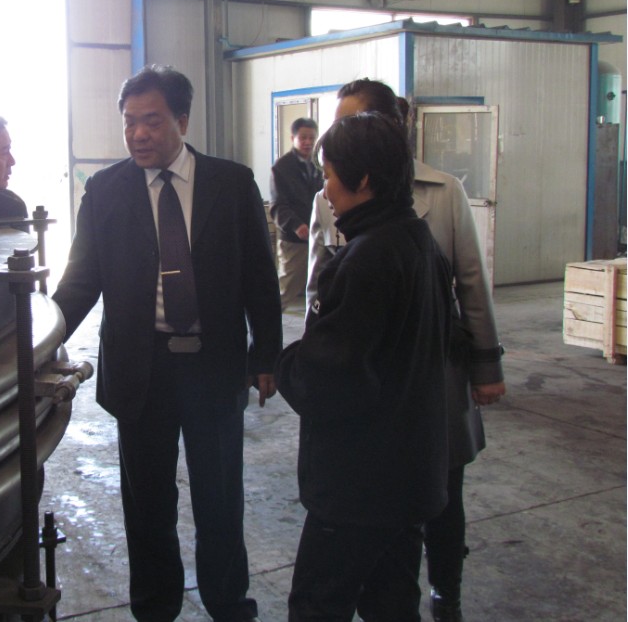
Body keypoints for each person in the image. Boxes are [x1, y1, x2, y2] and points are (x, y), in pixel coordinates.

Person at [52, 64, 282, 622]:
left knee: (219, 498)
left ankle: (229, 604)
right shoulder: (105, 190)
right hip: (141, 370)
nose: (138, 134)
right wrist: (43, 340)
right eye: (129, 122)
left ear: (182, 120)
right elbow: (81, 280)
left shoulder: (232, 184)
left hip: (213, 365)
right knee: (147, 505)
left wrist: (267, 355)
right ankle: (155, 609)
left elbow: (259, 275)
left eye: (151, 121)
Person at [306, 79, 506, 622]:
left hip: (430, 370)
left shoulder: (440, 192)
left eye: (355, 123)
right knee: (390, 520)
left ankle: (447, 590)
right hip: (366, 376)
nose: (340, 136)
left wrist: (485, 366)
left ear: (390, 127)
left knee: (439, 491)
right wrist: (319, 350)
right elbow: (318, 286)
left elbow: (470, 281)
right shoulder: (332, 195)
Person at [277, 110, 454, 621]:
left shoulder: (366, 261)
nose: (325, 191)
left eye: (331, 176)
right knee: (392, 604)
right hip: (409, 477)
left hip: (359, 488)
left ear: (364, 180)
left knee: (317, 605)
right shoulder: (420, 244)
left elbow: (327, 381)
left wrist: (282, 362)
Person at [270, 117, 324, 310]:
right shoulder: (281, 167)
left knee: (321, 287)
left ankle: (316, 324)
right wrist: (296, 225)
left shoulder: (320, 164)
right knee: (286, 290)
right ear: (293, 138)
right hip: (294, 239)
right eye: (303, 138)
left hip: (320, 235)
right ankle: (269, 322)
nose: (308, 142)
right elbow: (278, 205)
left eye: (312, 138)